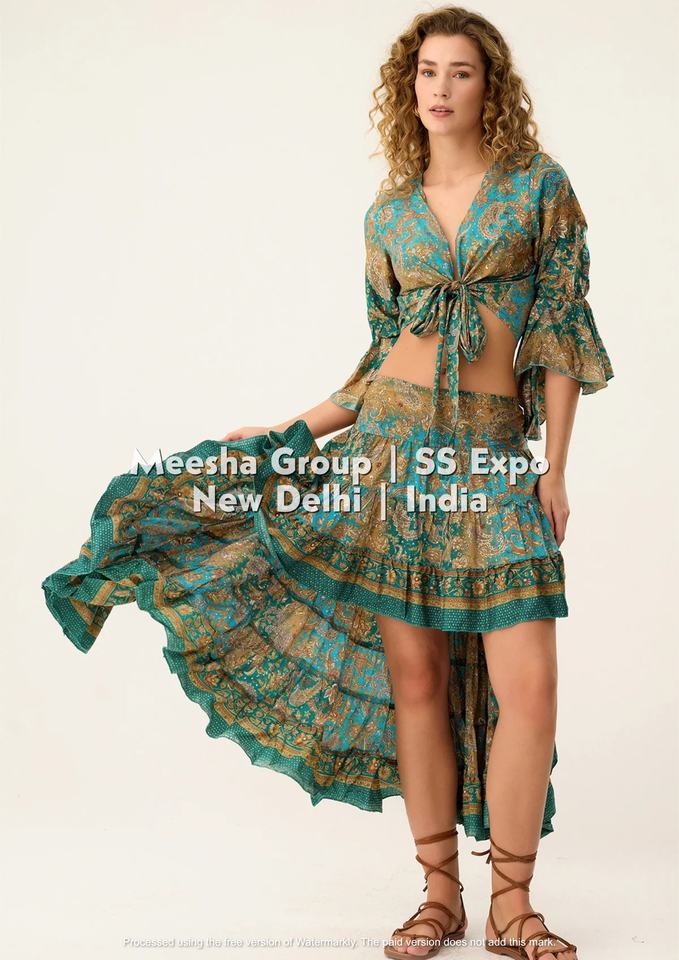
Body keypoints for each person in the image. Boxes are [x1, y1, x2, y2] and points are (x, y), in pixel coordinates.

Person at [42, 6, 613, 960]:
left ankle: (513, 905)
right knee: (415, 680)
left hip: (485, 460)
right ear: (408, 87)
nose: (440, 88)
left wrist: (553, 466)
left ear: (491, 87)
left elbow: (559, 326)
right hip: (388, 457)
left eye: (460, 72)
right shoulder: (388, 214)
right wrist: (291, 431)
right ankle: (439, 898)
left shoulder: (537, 187)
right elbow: (381, 358)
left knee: (530, 684)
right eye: (426, 71)